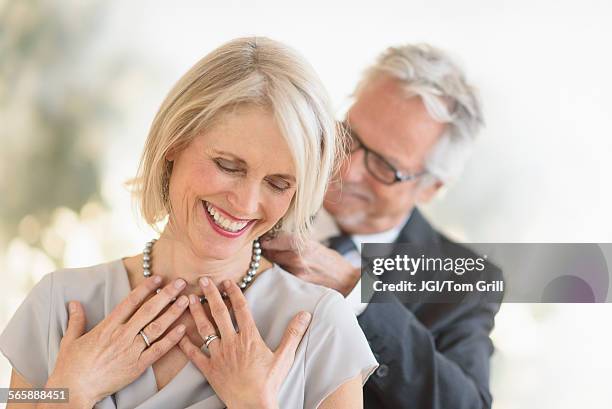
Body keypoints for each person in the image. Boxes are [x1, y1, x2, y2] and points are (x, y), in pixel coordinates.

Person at [0, 37, 377, 409]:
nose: (245, 203)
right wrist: (68, 394)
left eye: (278, 184)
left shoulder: (323, 326)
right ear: (175, 143)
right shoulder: (56, 305)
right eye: (228, 166)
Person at [262, 44, 503, 409]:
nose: (347, 169)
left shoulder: (463, 282)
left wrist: (357, 289)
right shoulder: (264, 189)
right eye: (350, 135)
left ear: (431, 187)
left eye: (385, 167)